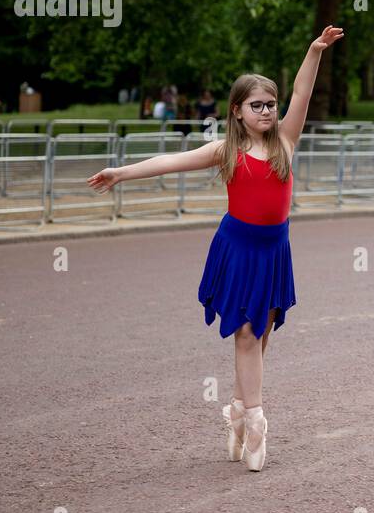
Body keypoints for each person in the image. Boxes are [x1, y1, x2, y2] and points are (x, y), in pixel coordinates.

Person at [87, 26, 344, 471]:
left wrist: (314, 51)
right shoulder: (226, 150)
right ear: (237, 111)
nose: (266, 111)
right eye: (256, 105)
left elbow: (304, 90)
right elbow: (170, 161)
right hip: (237, 249)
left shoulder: (285, 141)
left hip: (273, 252)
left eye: (270, 104)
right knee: (245, 335)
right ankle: (258, 420)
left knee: (259, 338)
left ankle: (238, 412)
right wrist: (120, 173)